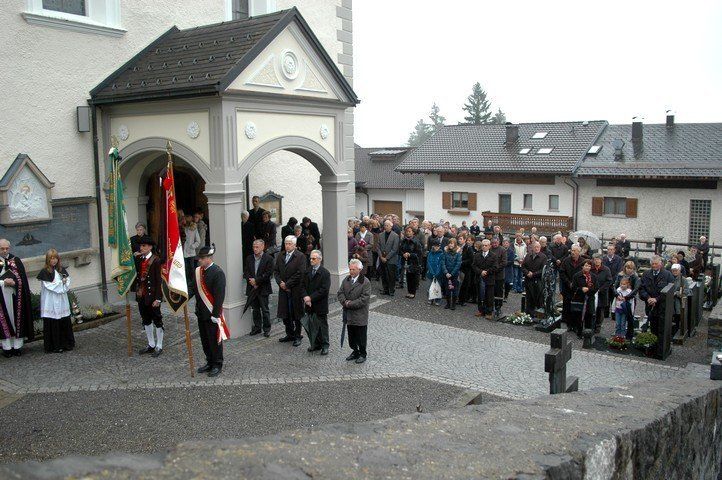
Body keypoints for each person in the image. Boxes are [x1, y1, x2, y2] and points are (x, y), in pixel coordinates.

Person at [194, 244, 227, 377]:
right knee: (205, 340)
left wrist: (215, 314)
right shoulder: (199, 271)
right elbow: (193, 288)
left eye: (202, 258)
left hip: (211, 313)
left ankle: (217, 364)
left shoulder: (218, 273)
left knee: (214, 341)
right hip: (201, 312)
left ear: (209, 258)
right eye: (199, 258)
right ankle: (209, 361)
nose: (199, 260)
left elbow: (219, 296)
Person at [0, 239, 33, 356]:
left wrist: (15, 282)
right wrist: (3, 282)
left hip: (15, 295)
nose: (5, 251)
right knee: (5, 321)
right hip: (2, 296)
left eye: (6, 248)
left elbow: (22, 279)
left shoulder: (16, 260)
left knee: (15, 319)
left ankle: (17, 346)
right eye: (2, 249)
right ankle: (7, 348)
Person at [37, 249, 74, 353]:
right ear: (48, 260)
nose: (54, 261)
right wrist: (61, 283)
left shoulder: (61, 270)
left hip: (61, 299)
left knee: (63, 320)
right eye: (51, 258)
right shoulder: (44, 272)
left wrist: (65, 282)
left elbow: (68, 281)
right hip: (50, 300)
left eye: (55, 258)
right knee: (53, 321)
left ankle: (66, 344)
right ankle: (54, 346)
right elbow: (49, 286)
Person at [134, 236, 164, 357]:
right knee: (146, 320)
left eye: (144, 246)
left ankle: (159, 345)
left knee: (157, 320)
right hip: (141, 295)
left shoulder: (156, 260)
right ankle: (151, 344)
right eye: (140, 246)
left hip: (152, 296)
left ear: (150, 247)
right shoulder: (139, 259)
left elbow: (158, 281)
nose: (141, 248)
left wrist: (158, 298)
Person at [274, 235, 307, 346]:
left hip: (295, 290)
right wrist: (280, 283)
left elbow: (300, 273)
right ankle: (289, 334)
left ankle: (298, 335)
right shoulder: (281, 255)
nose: (287, 246)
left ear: (294, 245)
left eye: (289, 244)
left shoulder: (300, 256)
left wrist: (287, 284)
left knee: (296, 314)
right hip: (283, 291)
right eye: (286, 243)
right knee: (285, 313)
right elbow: (276, 271)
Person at [338, 258, 371, 364]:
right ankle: (355, 351)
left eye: (353, 269)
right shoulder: (346, 280)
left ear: (359, 270)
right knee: (351, 336)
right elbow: (340, 293)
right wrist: (344, 302)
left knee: (361, 336)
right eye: (350, 269)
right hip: (349, 314)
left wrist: (349, 304)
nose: (351, 271)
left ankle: (362, 353)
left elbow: (364, 299)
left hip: (360, 314)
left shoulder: (365, 282)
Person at [639, 255, 675, 339]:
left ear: (660, 264)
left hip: (662, 307)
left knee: (662, 329)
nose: (654, 266)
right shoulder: (646, 274)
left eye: (656, 264)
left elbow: (670, 291)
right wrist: (648, 298)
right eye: (653, 264)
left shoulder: (668, 275)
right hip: (650, 306)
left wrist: (656, 299)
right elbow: (641, 289)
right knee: (653, 328)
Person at [243, 239, 273, 337]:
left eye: (257, 247)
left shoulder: (268, 258)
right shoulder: (249, 258)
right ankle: (257, 328)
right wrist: (251, 281)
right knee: (255, 309)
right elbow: (246, 272)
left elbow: (268, 274)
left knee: (265, 309)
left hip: (263, 288)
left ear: (263, 247)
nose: (255, 249)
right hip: (252, 288)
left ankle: (267, 329)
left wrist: (257, 281)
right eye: (254, 247)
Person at [303, 250, 331, 355]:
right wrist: (305, 297)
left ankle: (325, 345)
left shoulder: (325, 273)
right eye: (310, 258)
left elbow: (324, 290)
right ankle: (315, 344)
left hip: (320, 304)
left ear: (320, 259)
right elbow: (302, 286)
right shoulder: (307, 271)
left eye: (314, 258)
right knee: (312, 325)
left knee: (322, 326)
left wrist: (310, 298)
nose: (311, 260)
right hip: (309, 304)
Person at [571, 260, 597, 337]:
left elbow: (596, 287)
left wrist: (589, 289)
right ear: (582, 266)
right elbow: (573, 287)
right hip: (579, 298)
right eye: (586, 265)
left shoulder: (593, 276)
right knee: (579, 316)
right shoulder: (576, 276)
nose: (587, 267)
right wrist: (581, 289)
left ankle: (587, 333)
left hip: (589, 298)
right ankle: (579, 332)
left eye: (589, 266)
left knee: (589, 315)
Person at [473, 239, 497, 319]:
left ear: (489, 246)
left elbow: (495, 267)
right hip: (479, 277)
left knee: (489, 296)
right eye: (483, 245)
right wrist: (480, 272)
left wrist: (486, 272)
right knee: (480, 295)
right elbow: (474, 266)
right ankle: (481, 310)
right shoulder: (477, 255)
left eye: (486, 245)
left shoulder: (493, 255)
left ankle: (489, 312)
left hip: (489, 278)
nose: (484, 247)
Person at [522, 242, 546, 316]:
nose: (536, 248)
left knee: (538, 298)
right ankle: (529, 314)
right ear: (532, 248)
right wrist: (527, 273)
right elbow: (523, 266)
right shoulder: (528, 255)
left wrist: (533, 274)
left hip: (538, 280)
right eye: (535, 247)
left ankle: (538, 314)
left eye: (538, 247)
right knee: (529, 298)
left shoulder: (543, 257)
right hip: (528, 280)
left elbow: (543, 269)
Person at [377, 220, 400, 297]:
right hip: (382, 258)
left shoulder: (395, 236)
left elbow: (394, 249)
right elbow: (378, 247)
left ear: (391, 226)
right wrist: (381, 256)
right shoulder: (380, 235)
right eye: (385, 225)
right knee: (383, 275)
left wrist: (386, 258)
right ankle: (385, 289)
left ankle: (391, 290)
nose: (386, 227)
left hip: (391, 259)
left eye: (387, 225)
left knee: (391, 275)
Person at [399, 226, 423, 299]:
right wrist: (403, 254)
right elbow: (400, 250)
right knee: (408, 276)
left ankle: (413, 292)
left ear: (413, 232)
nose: (408, 233)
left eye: (409, 231)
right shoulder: (404, 240)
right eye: (407, 231)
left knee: (413, 277)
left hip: (414, 262)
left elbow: (419, 253)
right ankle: (409, 292)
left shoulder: (416, 241)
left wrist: (410, 254)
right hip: (406, 261)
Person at [591, 255, 613, 334]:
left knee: (600, 311)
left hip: (602, 293)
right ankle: (591, 325)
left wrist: (601, 289)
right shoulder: (591, 269)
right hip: (592, 293)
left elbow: (609, 281)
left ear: (601, 260)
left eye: (598, 259)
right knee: (592, 309)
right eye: (595, 259)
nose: (597, 261)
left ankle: (598, 326)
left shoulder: (606, 269)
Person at [440, 238, 462, 310]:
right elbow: (443, 263)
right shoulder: (445, 253)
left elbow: (458, 264)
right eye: (449, 243)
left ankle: (453, 304)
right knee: (447, 289)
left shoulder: (458, 254)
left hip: (454, 274)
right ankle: (448, 303)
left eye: (452, 243)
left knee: (454, 290)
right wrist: (446, 272)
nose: (450, 245)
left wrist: (451, 274)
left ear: (455, 244)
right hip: (446, 274)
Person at [602, 245, 624, 316]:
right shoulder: (603, 259)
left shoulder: (619, 259)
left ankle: (613, 313)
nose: (610, 251)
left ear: (614, 250)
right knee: (606, 297)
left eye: (611, 249)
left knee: (614, 297)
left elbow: (619, 270)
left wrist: (612, 280)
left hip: (615, 282)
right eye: (608, 249)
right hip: (605, 281)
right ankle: (605, 313)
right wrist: (607, 280)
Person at [459, 235, 477, 306]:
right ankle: (459, 299)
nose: (459, 240)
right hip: (460, 268)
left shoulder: (468, 248)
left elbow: (471, 259)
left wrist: (462, 262)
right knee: (460, 284)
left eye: (461, 239)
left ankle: (463, 300)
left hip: (466, 269)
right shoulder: (460, 247)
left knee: (465, 284)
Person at [183, 214, 201, 287]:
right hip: (183, 252)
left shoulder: (193, 229)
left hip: (191, 252)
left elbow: (198, 241)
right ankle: (186, 283)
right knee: (185, 268)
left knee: (191, 268)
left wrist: (192, 246)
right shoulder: (182, 228)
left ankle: (193, 283)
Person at [490, 237, 506, 315]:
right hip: (490, 274)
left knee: (499, 291)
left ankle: (498, 306)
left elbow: (504, 262)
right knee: (491, 291)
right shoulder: (490, 249)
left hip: (499, 275)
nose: (494, 244)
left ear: (499, 242)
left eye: (496, 243)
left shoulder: (502, 250)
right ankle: (490, 306)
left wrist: (496, 269)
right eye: (493, 243)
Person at [426, 239, 444, 306]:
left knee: (438, 288)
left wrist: (437, 273)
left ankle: (437, 300)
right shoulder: (430, 253)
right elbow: (428, 263)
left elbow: (441, 264)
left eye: (438, 246)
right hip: (430, 274)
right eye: (435, 246)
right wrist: (432, 272)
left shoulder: (441, 254)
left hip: (438, 274)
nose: (436, 247)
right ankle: (430, 299)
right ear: (433, 246)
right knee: (429, 287)